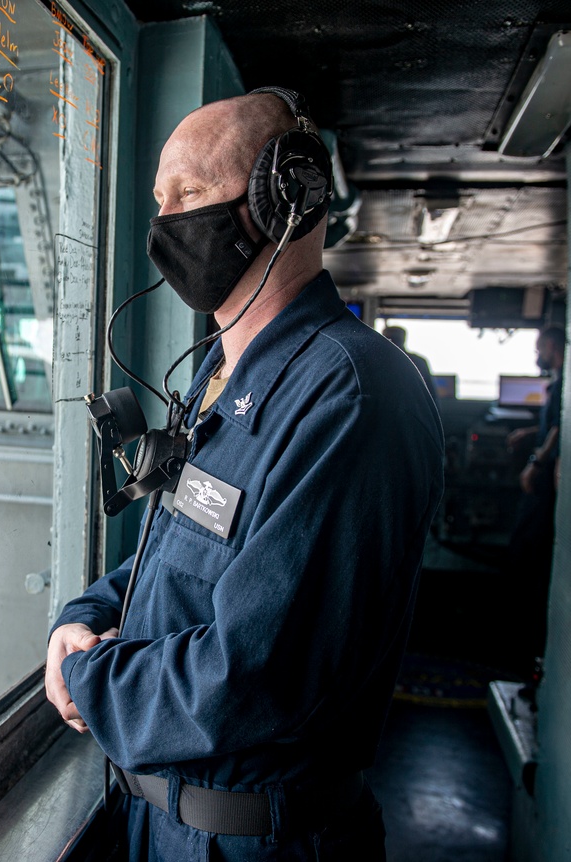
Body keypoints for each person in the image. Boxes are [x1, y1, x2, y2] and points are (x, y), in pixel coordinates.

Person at [45, 89, 444, 861]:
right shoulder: (220, 375)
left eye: (190, 194)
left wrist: (88, 676)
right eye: (160, 200)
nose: (165, 223)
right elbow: (171, 553)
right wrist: (80, 616)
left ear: (286, 198)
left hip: (255, 842)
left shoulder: (349, 395)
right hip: (156, 823)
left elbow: (260, 675)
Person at [507, 325, 565, 662]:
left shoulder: (563, 383)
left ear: (553, 346)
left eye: (539, 347)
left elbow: (560, 427)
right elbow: (552, 425)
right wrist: (529, 431)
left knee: (528, 548)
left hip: (546, 486)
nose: (536, 354)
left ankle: (525, 638)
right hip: (545, 481)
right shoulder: (557, 382)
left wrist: (535, 463)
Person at [381, 325, 438, 401]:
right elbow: (431, 394)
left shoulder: (374, 361)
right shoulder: (418, 361)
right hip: (413, 408)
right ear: (404, 339)